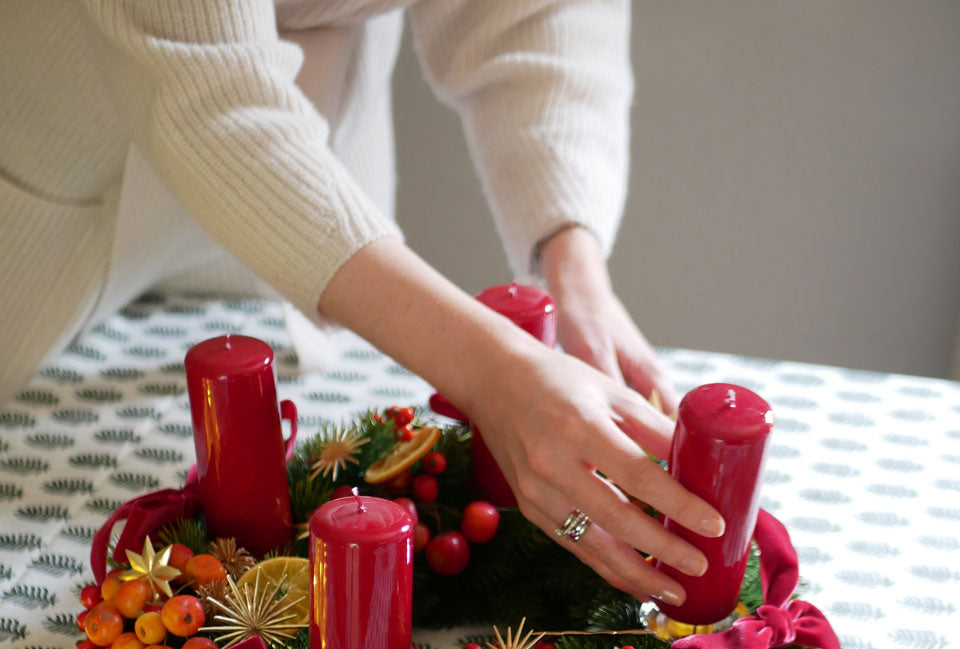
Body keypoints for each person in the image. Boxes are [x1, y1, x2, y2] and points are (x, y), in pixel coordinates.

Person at [0, 0, 723, 604]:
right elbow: (207, 85)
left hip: (315, 184)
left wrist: (575, 266)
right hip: (51, 181)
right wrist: (490, 370)